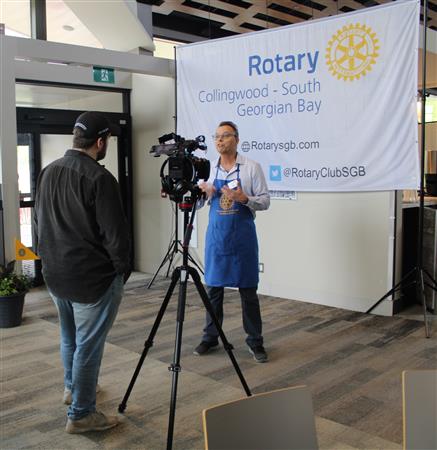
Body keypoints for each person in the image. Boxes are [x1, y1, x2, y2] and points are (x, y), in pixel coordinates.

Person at [34, 111, 131, 433]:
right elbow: (116, 237)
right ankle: (81, 414)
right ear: (100, 142)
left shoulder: (48, 171)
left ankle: (72, 389)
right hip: (92, 280)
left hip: (55, 274)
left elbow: (38, 223)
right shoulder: (100, 179)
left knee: (69, 337)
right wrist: (120, 271)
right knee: (88, 346)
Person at [194, 121, 270, 363]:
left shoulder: (251, 167)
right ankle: (210, 337)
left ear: (236, 139)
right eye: (216, 136)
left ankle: (255, 341)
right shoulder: (209, 169)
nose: (219, 140)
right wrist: (203, 194)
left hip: (242, 239)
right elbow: (198, 205)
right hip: (217, 238)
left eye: (225, 135)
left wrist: (244, 198)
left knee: (248, 292)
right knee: (213, 290)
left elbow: (265, 201)